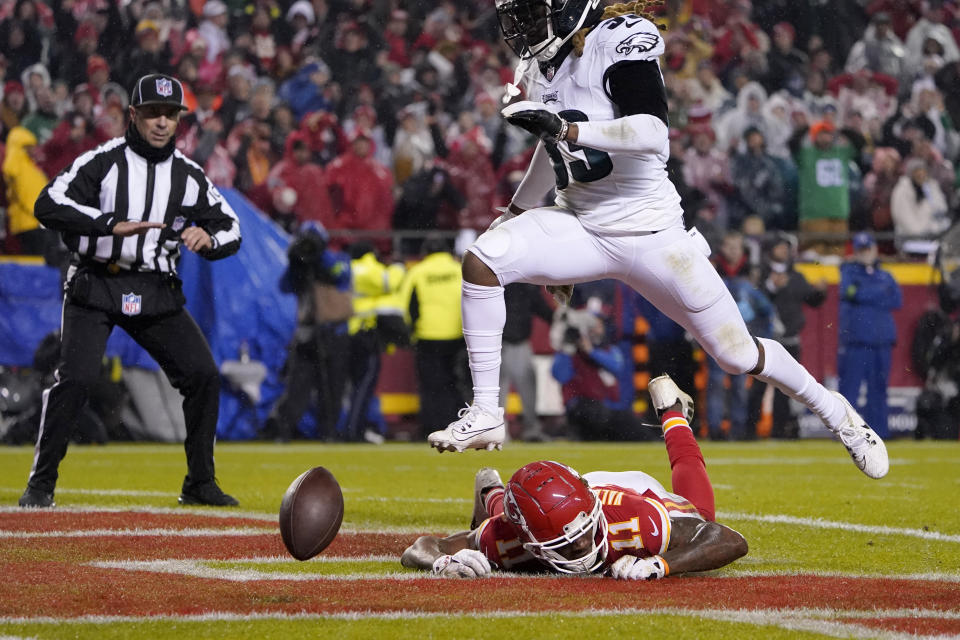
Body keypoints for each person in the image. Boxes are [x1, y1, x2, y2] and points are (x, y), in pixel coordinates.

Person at [425, 0, 887, 481]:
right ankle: (486, 413)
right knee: (484, 259)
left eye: (530, 12)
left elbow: (652, 131)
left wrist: (566, 127)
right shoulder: (542, 66)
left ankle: (836, 413)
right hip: (582, 224)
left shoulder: (617, 38)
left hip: (652, 234)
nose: (520, 26)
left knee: (736, 355)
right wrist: (517, 210)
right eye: (515, 15)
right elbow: (553, 149)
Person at [18, 74, 242, 508]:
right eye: (153, 113)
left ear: (179, 121)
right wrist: (106, 223)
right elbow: (47, 203)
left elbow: (231, 228)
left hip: (155, 287)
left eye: (170, 115)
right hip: (96, 282)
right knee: (77, 379)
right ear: (133, 115)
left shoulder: (190, 176)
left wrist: (208, 241)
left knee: (203, 376)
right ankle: (41, 485)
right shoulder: (102, 162)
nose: (162, 123)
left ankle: (199, 483)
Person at [402, 375, 747, 578]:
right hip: (560, 502)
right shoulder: (509, 537)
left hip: (631, 492)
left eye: (583, 533)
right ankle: (492, 492)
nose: (583, 544)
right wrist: (444, 562)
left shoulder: (636, 522)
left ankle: (672, 413)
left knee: (702, 515)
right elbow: (420, 549)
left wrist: (660, 565)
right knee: (501, 527)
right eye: (567, 542)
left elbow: (727, 539)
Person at [262, 222, 352, 442]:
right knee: (298, 385)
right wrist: (295, 262)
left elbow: (342, 275)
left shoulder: (335, 260)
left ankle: (329, 431)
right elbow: (284, 286)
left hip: (334, 331)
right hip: (308, 332)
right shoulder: (300, 265)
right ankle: (284, 431)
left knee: (332, 386)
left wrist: (320, 258)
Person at [397, 236, 468, 439]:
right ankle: (455, 426)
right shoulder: (459, 270)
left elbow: (404, 306)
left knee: (430, 385)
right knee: (454, 383)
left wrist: (409, 333)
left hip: (427, 336)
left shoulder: (418, 272)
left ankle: (431, 427)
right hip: (457, 336)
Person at [838, 232, 903, 440]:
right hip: (857, 340)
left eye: (868, 249)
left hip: (881, 340)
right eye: (861, 250)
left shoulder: (885, 275)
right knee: (850, 389)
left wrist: (865, 293)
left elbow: (897, 300)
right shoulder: (849, 272)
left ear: (875, 250)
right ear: (856, 252)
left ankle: (878, 433)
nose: (866, 254)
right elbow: (850, 293)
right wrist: (878, 292)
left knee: (879, 388)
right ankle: (845, 432)